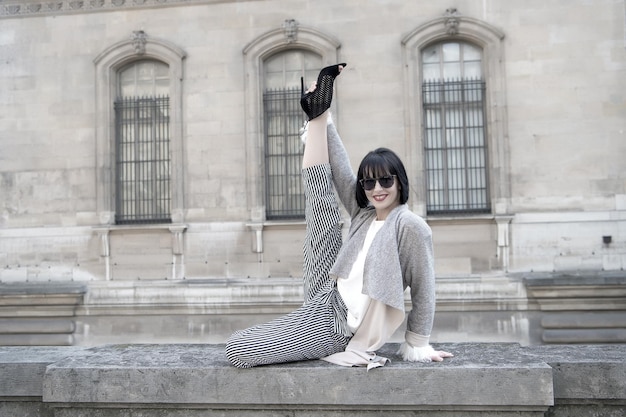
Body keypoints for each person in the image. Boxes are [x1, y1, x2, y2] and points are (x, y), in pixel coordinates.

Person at [225, 63, 452, 369]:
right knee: (320, 203)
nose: (377, 189)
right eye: (369, 182)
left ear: (400, 182)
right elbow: (342, 171)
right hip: (326, 290)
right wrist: (324, 120)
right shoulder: (364, 213)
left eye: (386, 181)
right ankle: (316, 115)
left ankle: (316, 344)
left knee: (237, 349)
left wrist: (418, 343)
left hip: (337, 324)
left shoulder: (410, 226)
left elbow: (425, 287)